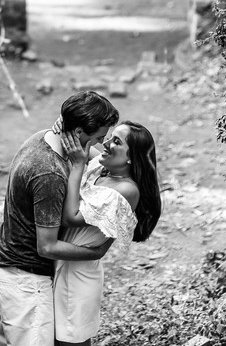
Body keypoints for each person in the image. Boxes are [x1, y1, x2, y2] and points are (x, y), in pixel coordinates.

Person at [0, 91, 120, 346]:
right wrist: (94, 252)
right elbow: (47, 246)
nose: (102, 145)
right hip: (24, 280)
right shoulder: (50, 173)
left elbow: (102, 164)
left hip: (6, 267)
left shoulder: (42, 138)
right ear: (78, 133)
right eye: (99, 138)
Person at [53, 120, 162, 346]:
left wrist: (77, 166)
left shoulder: (127, 189)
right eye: (109, 137)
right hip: (61, 264)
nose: (106, 144)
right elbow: (82, 143)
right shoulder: (102, 168)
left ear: (131, 158)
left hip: (79, 276)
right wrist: (68, 124)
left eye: (116, 142)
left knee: (70, 341)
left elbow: (71, 217)